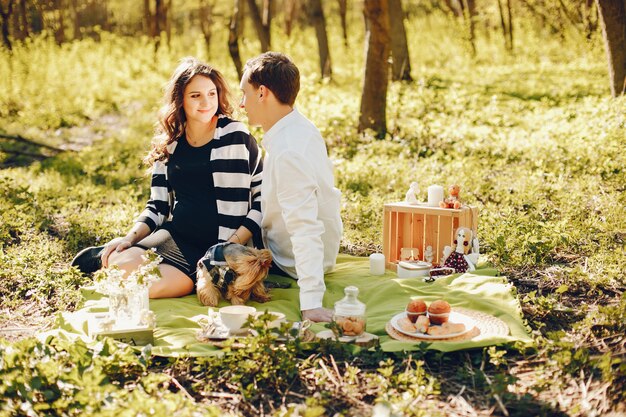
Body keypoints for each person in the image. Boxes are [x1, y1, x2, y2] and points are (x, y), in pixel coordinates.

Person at [72, 57, 263, 298]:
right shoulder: (170, 143)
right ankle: (108, 255)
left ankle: (193, 274)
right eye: (196, 96)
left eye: (212, 94)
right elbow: (158, 205)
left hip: (221, 245)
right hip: (175, 238)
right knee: (120, 265)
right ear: (180, 99)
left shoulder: (234, 136)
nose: (206, 102)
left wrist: (228, 248)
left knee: (152, 287)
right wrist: (129, 238)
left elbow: (260, 201)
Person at [239, 52, 342, 323]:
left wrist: (311, 303)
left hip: (290, 261)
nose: (241, 103)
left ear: (262, 92)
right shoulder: (297, 127)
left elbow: (304, 228)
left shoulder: (288, 150)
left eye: (244, 93)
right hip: (292, 247)